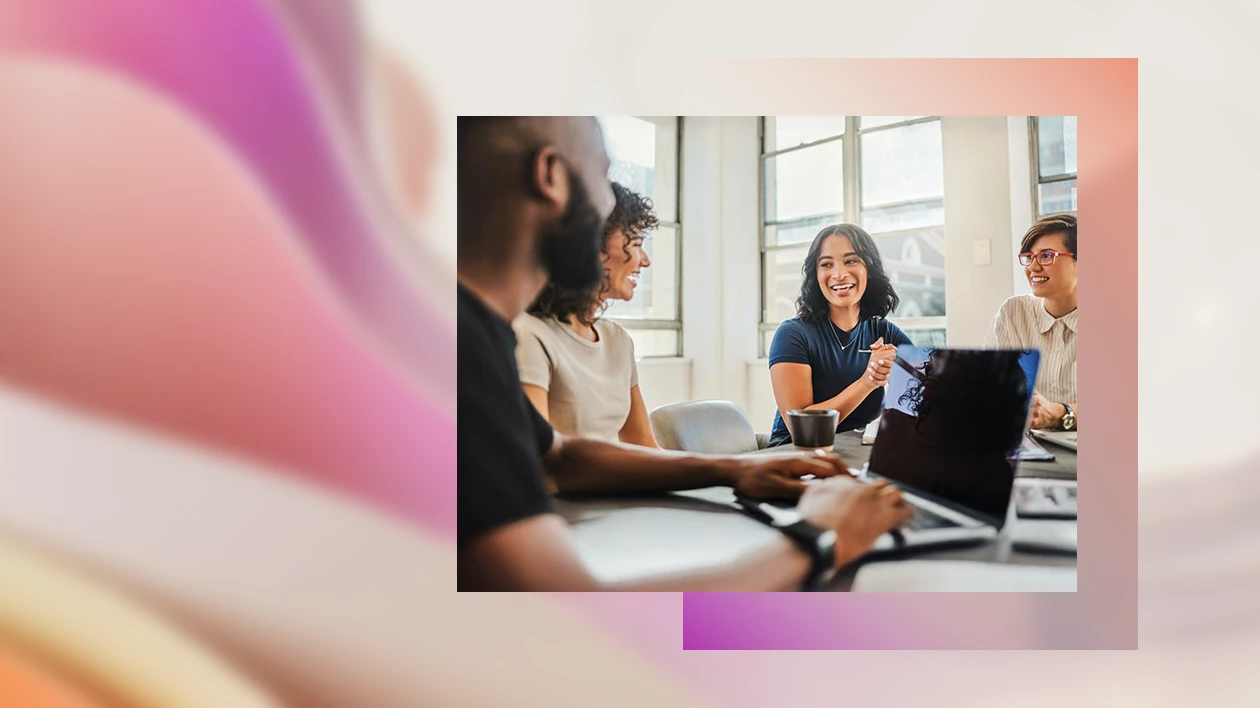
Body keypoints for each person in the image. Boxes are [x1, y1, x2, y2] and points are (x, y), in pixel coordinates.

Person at [457, 117, 910, 591]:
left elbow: (561, 456)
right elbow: (574, 615)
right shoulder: (463, 346)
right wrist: (821, 535)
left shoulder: (486, 334)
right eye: (602, 176)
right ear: (551, 177)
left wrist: (735, 469)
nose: (643, 254)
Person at [516, 182, 659, 447]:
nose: (645, 260)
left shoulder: (618, 339)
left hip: (620, 489)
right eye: (636, 242)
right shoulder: (529, 335)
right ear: (593, 244)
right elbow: (544, 460)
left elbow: (645, 447)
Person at [766, 224, 912, 447]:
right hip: (797, 452)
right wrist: (868, 381)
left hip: (857, 448)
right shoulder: (792, 335)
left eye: (851, 260)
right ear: (816, 274)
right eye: (826, 264)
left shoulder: (883, 331)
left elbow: (930, 388)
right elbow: (802, 428)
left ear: (869, 269)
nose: (839, 274)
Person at [983, 214, 1077, 430]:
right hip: (1024, 447)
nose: (1033, 267)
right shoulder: (1013, 313)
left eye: (1046, 256)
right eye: (1029, 257)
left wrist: (1060, 412)